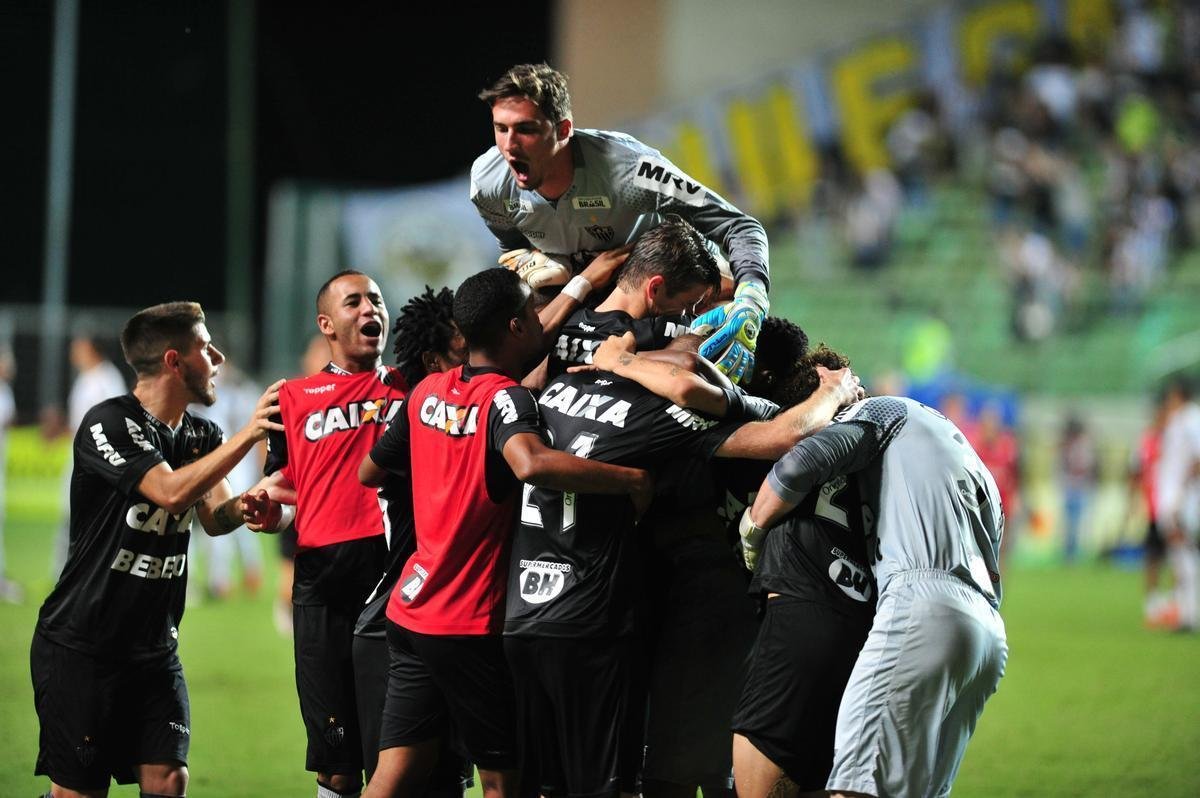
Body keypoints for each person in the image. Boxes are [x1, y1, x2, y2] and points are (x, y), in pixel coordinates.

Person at [504, 331, 861, 798]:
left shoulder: (555, 392)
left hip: (538, 613)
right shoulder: (704, 419)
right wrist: (833, 391)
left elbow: (698, 385)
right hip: (659, 618)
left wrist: (620, 359)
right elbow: (763, 423)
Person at [356, 269, 655, 798]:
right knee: (503, 784)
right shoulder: (505, 401)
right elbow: (531, 464)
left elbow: (370, 472)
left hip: (412, 610)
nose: (543, 320)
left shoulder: (426, 390)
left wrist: (440, 470)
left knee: (394, 774)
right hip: (468, 622)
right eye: (534, 314)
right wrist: (629, 479)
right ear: (516, 326)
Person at [30, 301, 283, 798]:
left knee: (168, 779)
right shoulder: (109, 423)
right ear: (174, 361)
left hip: (154, 647)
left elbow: (215, 516)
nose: (219, 357)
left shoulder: (200, 434)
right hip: (84, 643)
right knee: (80, 791)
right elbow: (169, 493)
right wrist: (250, 433)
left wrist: (253, 508)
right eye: (205, 347)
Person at [742, 395, 1008, 798]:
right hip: (986, 631)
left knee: (855, 787)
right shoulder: (969, 457)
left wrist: (754, 527)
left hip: (923, 605)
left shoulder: (886, 409)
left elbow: (800, 464)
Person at [471, 62, 770, 383]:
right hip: (582, 282)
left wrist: (752, 293)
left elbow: (739, 226)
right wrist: (537, 261)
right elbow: (512, 248)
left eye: (526, 129)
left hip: (657, 280)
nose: (509, 145)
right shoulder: (488, 183)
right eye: (501, 128)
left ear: (562, 130)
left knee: (730, 324)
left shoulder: (632, 170)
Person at [243, 271, 408, 798]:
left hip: (394, 578)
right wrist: (271, 513)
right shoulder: (288, 398)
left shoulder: (413, 388)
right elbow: (286, 491)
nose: (369, 310)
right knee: (335, 762)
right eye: (354, 302)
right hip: (322, 586)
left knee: (398, 753)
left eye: (376, 300)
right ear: (326, 324)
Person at [729, 347, 877, 798]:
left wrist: (752, 530)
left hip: (798, 616)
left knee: (755, 790)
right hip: (865, 628)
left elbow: (785, 445)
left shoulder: (790, 437)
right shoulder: (874, 446)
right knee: (822, 779)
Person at [351, 285, 472, 793]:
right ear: (434, 358)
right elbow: (366, 472)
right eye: (467, 348)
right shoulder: (429, 416)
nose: (478, 359)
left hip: (445, 614)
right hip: (404, 617)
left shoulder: (458, 405)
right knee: (401, 779)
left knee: (442, 781)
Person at [544, 214, 720, 382]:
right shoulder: (656, 331)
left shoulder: (561, 323)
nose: (690, 312)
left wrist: (584, 280)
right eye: (688, 303)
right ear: (655, 287)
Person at [51, 333, 128, 576]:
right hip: (79, 457)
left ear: (92, 349)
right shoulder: (86, 378)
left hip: (98, 462)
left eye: (79, 347)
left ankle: (91, 575)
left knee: (95, 519)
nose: (74, 352)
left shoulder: (107, 379)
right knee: (72, 515)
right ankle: (67, 574)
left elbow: (112, 423)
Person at [1155, 375, 1200, 632]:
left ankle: (1189, 615)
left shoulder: (1191, 419)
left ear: (1179, 394)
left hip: (1182, 498)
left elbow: (1197, 457)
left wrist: (1183, 493)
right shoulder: (1179, 419)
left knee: (1183, 551)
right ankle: (1185, 612)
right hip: (1173, 496)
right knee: (1179, 553)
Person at [1059, 414, 1099, 563]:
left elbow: (1087, 466)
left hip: (1080, 486)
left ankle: (1073, 553)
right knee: (1069, 522)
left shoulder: (1083, 445)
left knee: (1076, 522)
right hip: (1070, 485)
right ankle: (1068, 552)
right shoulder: (1068, 444)